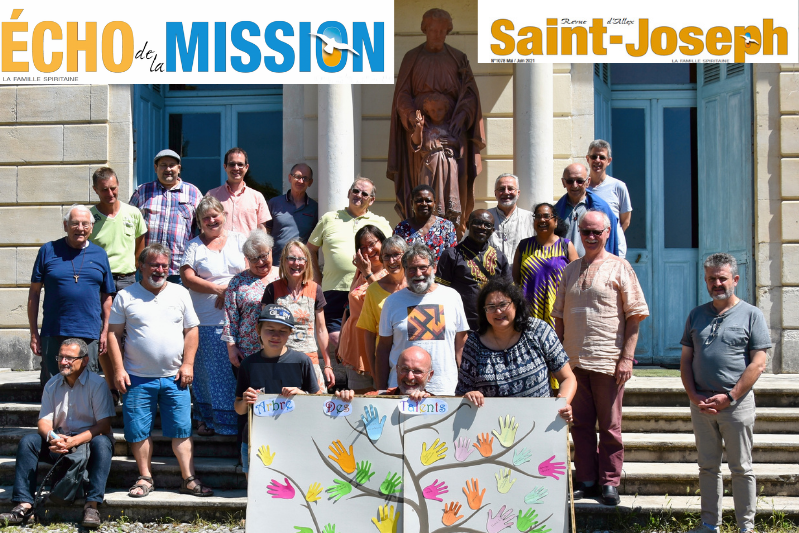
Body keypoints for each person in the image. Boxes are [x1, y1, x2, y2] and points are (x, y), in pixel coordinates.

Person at [552, 210, 649, 506]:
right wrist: (558, 361)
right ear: (578, 234)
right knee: (579, 425)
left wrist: (626, 358)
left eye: (596, 232)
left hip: (608, 361)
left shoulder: (620, 267)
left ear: (608, 233)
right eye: (585, 232)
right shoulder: (569, 271)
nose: (591, 237)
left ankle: (609, 482)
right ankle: (586, 480)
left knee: (609, 425)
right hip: (574, 364)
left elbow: (635, 316)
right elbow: (558, 318)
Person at [107, 243, 213, 498]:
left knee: (182, 430)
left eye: (164, 265)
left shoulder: (180, 293)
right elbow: (113, 334)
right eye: (154, 265)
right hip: (137, 378)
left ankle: (188, 479)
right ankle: (145, 478)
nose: (160, 270)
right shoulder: (126, 296)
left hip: (174, 377)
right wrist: (118, 370)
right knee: (138, 431)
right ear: (141, 267)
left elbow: (191, 330)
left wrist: (188, 364)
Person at [680, 253, 770, 533]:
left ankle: (746, 527)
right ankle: (709, 524)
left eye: (722, 278)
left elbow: (759, 363)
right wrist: (694, 396)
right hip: (702, 405)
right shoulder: (696, 314)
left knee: (741, 468)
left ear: (735, 279)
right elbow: (685, 360)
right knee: (708, 468)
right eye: (711, 279)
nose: (717, 283)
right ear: (705, 281)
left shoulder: (752, 314)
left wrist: (730, 397)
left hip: (736, 405)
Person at [387, 7, 485, 235]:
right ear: (425, 30)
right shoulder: (412, 58)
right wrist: (413, 118)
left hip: (452, 128)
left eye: (443, 30)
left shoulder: (457, 58)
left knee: (453, 181)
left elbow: (470, 94)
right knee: (422, 180)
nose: (438, 34)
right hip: (420, 130)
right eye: (433, 30)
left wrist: (462, 116)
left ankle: (452, 230)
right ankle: (420, 229)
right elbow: (402, 94)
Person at [0, 339, 115, 529]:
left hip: (88, 444)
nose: (63, 362)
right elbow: (44, 422)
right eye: (60, 357)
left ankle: (92, 505)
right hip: (61, 443)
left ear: (85, 360)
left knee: (103, 443)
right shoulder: (52, 384)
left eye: (69, 358)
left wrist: (75, 441)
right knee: (29, 441)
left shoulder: (97, 385)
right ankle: (24, 505)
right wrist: (54, 438)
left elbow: (104, 425)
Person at [456, 279, 576, 423]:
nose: (498, 311)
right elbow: (462, 393)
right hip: (492, 429)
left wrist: (563, 403)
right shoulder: (474, 343)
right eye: (491, 306)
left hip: (541, 424)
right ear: (484, 311)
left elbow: (567, 378)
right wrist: (470, 395)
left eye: (503, 304)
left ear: (516, 304)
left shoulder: (539, 330)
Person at [180, 196, 247, 437]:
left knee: (234, 372)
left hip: (240, 318)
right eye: (205, 217)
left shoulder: (240, 239)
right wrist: (216, 289)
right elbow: (187, 277)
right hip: (205, 318)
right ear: (199, 221)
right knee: (206, 371)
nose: (211, 220)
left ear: (224, 215)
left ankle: (236, 421)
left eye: (215, 215)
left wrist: (230, 290)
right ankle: (205, 419)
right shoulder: (194, 246)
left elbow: (255, 268)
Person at [28, 205, 115, 387]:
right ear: (65, 225)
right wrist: (34, 333)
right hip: (54, 330)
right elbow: (34, 293)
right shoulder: (48, 250)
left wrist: (105, 331)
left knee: (86, 385)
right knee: (53, 385)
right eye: (75, 223)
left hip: (88, 332)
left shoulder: (100, 254)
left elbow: (107, 297)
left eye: (85, 224)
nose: (80, 228)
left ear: (91, 227)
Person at [307, 177, 392, 360]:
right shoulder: (329, 218)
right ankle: (355, 358)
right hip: (333, 288)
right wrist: (317, 280)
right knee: (333, 333)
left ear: (372, 200)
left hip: (368, 287)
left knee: (369, 329)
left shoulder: (381, 223)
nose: (358, 195)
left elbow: (392, 251)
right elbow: (310, 249)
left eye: (364, 193)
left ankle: (361, 365)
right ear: (348, 193)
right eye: (355, 190)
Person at [235, 305, 320, 476]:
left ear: (290, 333)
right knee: (255, 494)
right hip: (254, 439)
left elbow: (317, 401)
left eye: (283, 331)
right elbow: (238, 408)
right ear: (258, 329)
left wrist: (302, 395)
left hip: (293, 440)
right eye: (270, 329)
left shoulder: (302, 361)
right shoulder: (248, 364)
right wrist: (245, 400)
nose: (275, 335)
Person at [376, 243, 469, 395]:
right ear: (404, 271)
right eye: (411, 269)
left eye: (423, 267)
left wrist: (465, 385)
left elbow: (461, 346)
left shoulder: (452, 297)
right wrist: (381, 390)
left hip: (444, 389)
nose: (418, 273)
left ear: (434, 268)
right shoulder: (392, 302)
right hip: (402, 389)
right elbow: (383, 349)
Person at [262, 240, 333, 392]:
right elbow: (264, 328)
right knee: (282, 409)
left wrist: (327, 364)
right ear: (283, 261)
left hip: (309, 361)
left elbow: (321, 330)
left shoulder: (315, 289)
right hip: (281, 360)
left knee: (314, 408)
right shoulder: (272, 289)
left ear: (307, 263)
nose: (296, 263)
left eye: (301, 259)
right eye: (291, 258)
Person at [129, 149, 202, 283]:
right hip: (147, 266)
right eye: (163, 165)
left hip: (180, 268)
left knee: (177, 304)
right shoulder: (143, 191)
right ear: (155, 168)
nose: (168, 169)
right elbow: (128, 226)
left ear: (179, 168)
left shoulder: (193, 193)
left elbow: (203, 229)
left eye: (172, 165)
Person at [435, 210, 511, 331]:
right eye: (477, 223)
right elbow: (440, 292)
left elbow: (508, 292)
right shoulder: (451, 255)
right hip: (460, 325)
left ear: (492, 230)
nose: (482, 227)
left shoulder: (499, 257)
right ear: (467, 224)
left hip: (491, 325)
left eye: (487, 225)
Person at [222, 230, 281, 374]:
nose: (260, 262)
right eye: (254, 258)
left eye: (263, 256)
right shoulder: (237, 282)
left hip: (282, 351)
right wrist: (231, 347)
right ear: (247, 258)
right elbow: (230, 317)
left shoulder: (283, 276)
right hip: (248, 352)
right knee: (250, 395)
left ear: (271, 251)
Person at [338, 226, 388, 393]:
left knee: (381, 397)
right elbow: (349, 307)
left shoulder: (392, 271)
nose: (369, 250)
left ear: (383, 242)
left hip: (377, 344)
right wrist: (340, 343)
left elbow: (384, 300)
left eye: (372, 244)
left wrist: (367, 272)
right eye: (363, 247)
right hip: (354, 346)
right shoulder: (360, 270)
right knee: (358, 402)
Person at [513, 203, 579, 327]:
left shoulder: (565, 245)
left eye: (546, 216)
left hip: (558, 314)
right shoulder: (524, 246)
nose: (542, 220)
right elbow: (516, 280)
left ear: (555, 221)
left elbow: (577, 280)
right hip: (529, 314)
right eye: (538, 216)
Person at [358, 237, 409, 385]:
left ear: (406, 255)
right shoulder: (374, 290)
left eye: (396, 255)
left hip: (415, 363)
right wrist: (374, 371)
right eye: (386, 256)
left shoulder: (417, 286)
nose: (392, 261)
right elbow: (369, 333)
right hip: (386, 363)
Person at [89, 167, 147, 294]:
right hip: (99, 280)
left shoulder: (133, 213)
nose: (110, 193)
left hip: (127, 280)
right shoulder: (89, 217)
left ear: (118, 185)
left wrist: (133, 270)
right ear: (95, 190)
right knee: (100, 314)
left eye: (113, 188)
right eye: (104, 190)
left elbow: (140, 247)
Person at [553, 163, 619, 258]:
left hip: (594, 267)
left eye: (580, 181)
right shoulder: (556, 211)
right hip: (565, 269)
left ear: (588, 181)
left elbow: (611, 243)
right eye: (570, 181)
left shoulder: (602, 209)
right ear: (563, 182)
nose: (575, 185)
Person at [206, 147, 271, 234]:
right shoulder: (212, 196)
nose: (236, 168)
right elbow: (205, 228)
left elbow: (262, 230)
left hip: (248, 247)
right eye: (232, 164)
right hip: (220, 247)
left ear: (246, 167)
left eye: (240, 164)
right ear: (225, 167)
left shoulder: (257, 197)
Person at [585, 140, 632, 259]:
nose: (597, 160)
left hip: (614, 251)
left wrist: (609, 238)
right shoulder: (581, 187)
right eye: (594, 156)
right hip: (588, 250)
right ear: (587, 159)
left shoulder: (618, 186)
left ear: (608, 161)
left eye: (602, 157)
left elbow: (625, 221)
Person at [337, 346, 434, 404]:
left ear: (430, 375)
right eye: (405, 369)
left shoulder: (439, 405)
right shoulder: (375, 398)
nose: (409, 377)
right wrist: (346, 401)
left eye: (417, 371)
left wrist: (427, 403)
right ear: (396, 369)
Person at [266, 163, 319, 263]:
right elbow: (266, 234)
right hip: (276, 265)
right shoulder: (275, 203)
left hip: (301, 266)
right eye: (297, 177)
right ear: (290, 178)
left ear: (310, 182)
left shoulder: (314, 208)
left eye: (305, 178)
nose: (300, 181)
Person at [393, 184, 457, 265]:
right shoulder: (401, 228)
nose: (424, 204)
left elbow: (452, 257)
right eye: (419, 200)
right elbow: (396, 255)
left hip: (439, 276)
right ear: (412, 203)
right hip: (411, 275)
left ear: (434, 203)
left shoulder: (447, 226)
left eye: (428, 200)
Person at [487, 173, 535, 264]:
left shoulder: (531, 219)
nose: (506, 192)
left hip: (522, 276)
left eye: (510, 188)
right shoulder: (484, 218)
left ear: (518, 193)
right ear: (495, 193)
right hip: (491, 276)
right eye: (501, 189)